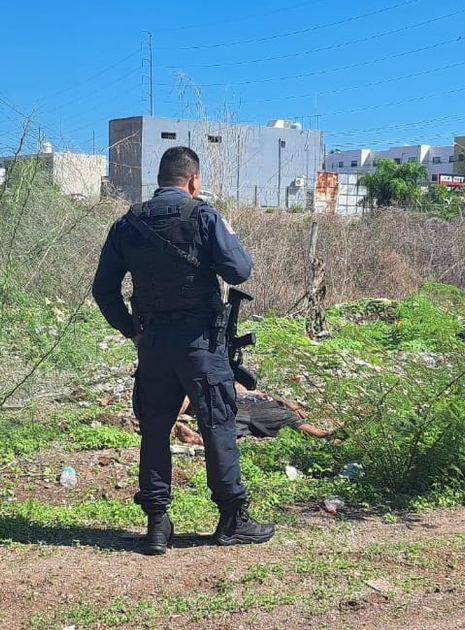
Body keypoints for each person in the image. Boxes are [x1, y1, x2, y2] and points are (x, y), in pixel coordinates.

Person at [92, 146, 275, 555]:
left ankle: (157, 525)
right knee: (218, 425)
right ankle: (232, 519)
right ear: (193, 181)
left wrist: (132, 332)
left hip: (154, 344)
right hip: (201, 345)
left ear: (159, 180)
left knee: (155, 430)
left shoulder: (128, 223)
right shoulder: (204, 216)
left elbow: (104, 290)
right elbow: (240, 270)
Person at [179, 383, 339, 440]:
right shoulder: (267, 398)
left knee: (228, 424)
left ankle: (197, 438)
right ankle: (197, 437)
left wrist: (288, 404)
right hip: (235, 403)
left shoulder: (286, 414)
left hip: (256, 412)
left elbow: (305, 425)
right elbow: (255, 391)